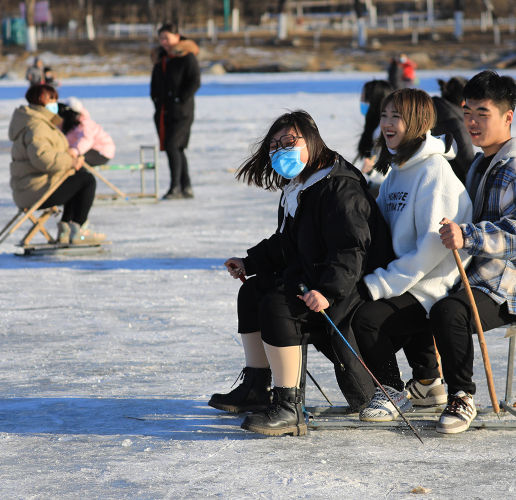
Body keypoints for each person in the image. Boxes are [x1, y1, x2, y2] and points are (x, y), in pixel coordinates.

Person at [208, 110, 394, 437]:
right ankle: (256, 385)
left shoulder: (339, 187)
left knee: (279, 307)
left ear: (311, 140)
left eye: (289, 141)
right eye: (275, 146)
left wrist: (328, 290)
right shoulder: (301, 185)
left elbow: (351, 248)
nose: (282, 150)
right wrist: (249, 262)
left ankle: (289, 407)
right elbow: (288, 242)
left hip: (347, 289)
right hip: (313, 275)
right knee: (251, 293)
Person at [433, 70, 516, 434]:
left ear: (507, 117)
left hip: (511, 286)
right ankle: (427, 385)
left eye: (482, 114)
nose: (471, 121)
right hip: (481, 276)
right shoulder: (485, 162)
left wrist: (468, 236)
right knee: (423, 301)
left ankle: (462, 396)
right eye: (467, 111)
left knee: (448, 312)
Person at [351, 88, 473, 422]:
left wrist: (379, 284)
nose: (387, 124)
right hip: (409, 278)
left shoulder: (434, 173)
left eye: (397, 117)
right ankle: (429, 382)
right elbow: (380, 227)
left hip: (435, 284)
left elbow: (431, 250)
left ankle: (391, 391)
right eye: (384, 116)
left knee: (366, 317)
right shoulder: (398, 169)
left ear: (418, 123)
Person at [9, 84, 107, 245]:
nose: (56, 103)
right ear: (42, 101)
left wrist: (67, 155)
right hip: (34, 189)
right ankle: (79, 229)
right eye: (52, 99)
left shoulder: (36, 122)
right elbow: (42, 158)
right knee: (86, 180)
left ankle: (66, 229)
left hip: (30, 186)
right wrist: (70, 161)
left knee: (76, 178)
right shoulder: (37, 127)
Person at [150, 22, 201, 200]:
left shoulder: (187, 56)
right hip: (163, 111)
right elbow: (155, 83)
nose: (164, 41)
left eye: (167, 37)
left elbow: (194, 81)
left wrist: (180, 98)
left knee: (173, 146)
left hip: (182, 112)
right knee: (176, 148)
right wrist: (156, 100)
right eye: (161, 38)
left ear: (177, 37)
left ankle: (175, 188)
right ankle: (186, 187)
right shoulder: (161, 58)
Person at [433, 76, 475, 185]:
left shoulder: (431, 113)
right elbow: (468, 164)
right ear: (463, 103)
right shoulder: (456, 124)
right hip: (453, 185)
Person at [356, 79, 393, 196]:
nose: (361, 101)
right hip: (376, 185)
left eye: (365, 98)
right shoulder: (375, 127)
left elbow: (392, 167)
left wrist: (372, 169)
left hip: (384, 189)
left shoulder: (385, 130)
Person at [58, 97, 116, 167]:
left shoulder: (84, 123)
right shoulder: (68, 124)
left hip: (101, 152)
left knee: (74, 159)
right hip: (87, 150)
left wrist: (75, 150)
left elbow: (87, 139)